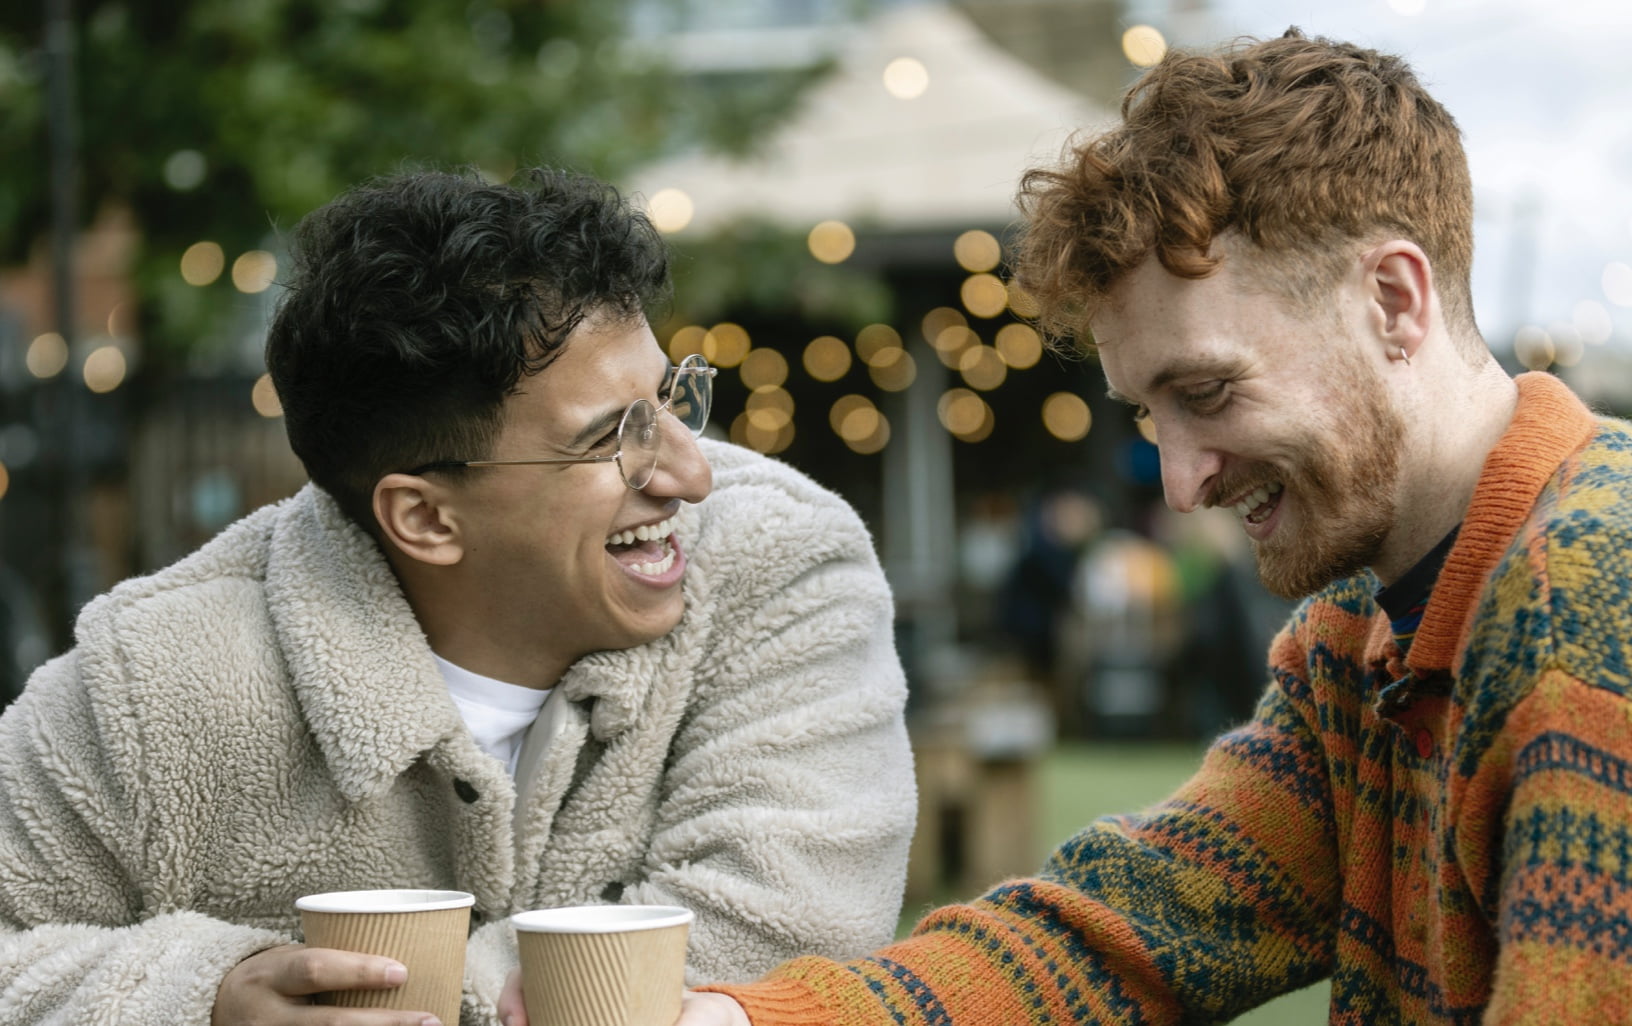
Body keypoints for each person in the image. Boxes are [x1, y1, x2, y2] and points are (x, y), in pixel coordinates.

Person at [668, 29, 1632, 1026]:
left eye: (1208, 390)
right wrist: (738, 1020)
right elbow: (1129, 926)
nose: (1180, 484)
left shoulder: (1592, 594)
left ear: (1393, 300)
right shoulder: (1358, 631)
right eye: (1148, 413)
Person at [0, 168, 917, 1025]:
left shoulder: (783, 565)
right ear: (426, 519)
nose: (688, 473)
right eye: (613, 439)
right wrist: (207, 998)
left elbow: (792, 933)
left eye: (672, 399)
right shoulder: (151, 680)